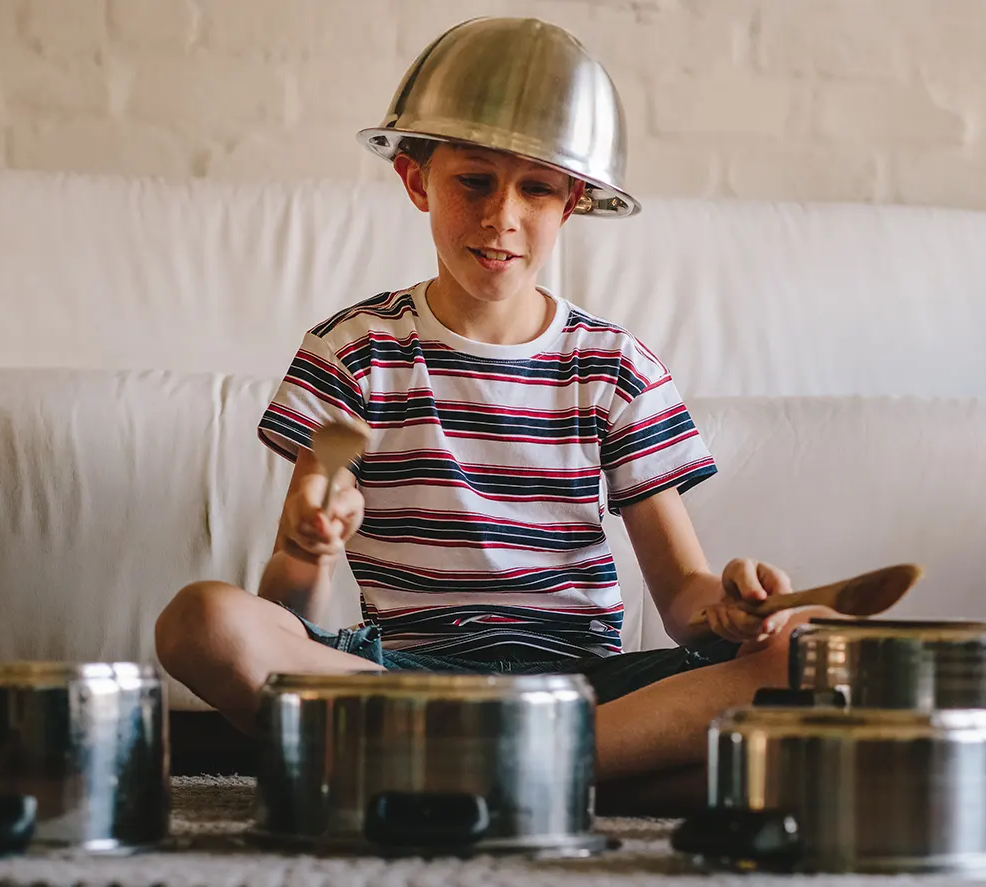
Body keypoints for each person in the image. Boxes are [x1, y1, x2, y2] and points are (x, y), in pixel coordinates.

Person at [152, 17, 883, 803]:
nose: (503, 215)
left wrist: (737, 609)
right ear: (416, 180)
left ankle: (466, 770)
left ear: (571, 202)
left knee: (807, 650)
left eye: (536, 187)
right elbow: (281, 614)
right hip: (406, 678)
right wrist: (304, 548)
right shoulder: (352, 352)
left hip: (587, 686)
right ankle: (576, 776)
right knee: (202, 621)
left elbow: (683, 600)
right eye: (474, 180)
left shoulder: (614, 367)